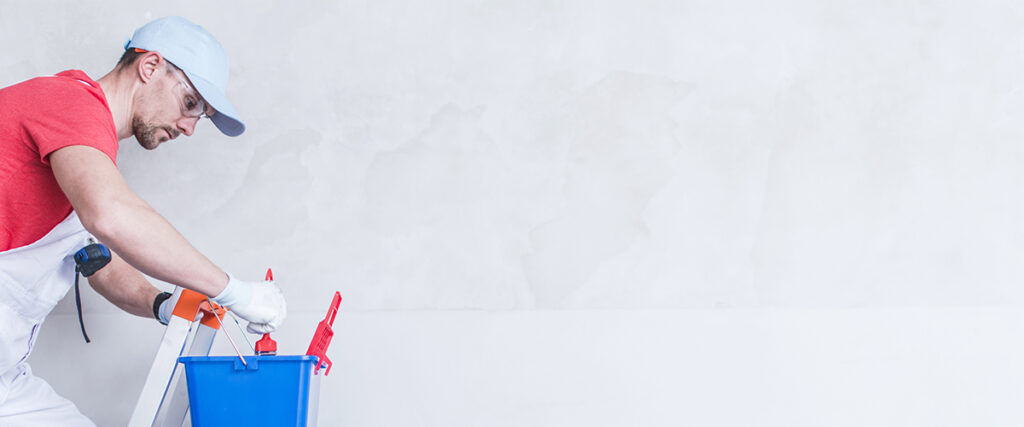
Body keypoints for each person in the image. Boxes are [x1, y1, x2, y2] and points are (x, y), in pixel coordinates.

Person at [0, 16, 286, 426]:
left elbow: (97, 262)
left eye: (199, 116)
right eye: (190, 104)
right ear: (150, 67)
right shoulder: (69, 104)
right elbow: (111, 216)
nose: (189, 128)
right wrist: (233, 291)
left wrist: (162, 304)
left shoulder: (84, 154)